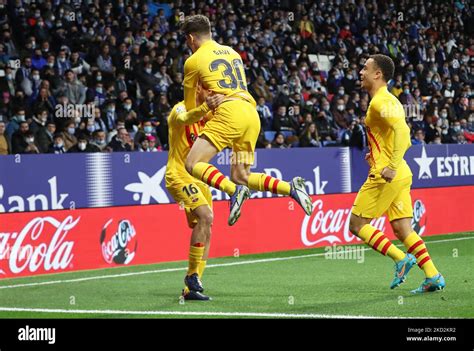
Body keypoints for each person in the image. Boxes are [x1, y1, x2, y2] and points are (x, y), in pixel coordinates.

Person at [181, 15, 313, 227]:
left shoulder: (193, 61)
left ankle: (234, 192)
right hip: (251, 115)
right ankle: (290, 188)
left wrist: (203, 112)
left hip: (230, 114)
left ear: (190, 38)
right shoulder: (233, 53)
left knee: (192, 163)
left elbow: (190, 110)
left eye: (187, 41)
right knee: (241, 175)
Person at [349, 54, 445, 294]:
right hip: (400, 173)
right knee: (403, 229)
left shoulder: (381, 101)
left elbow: (403, 132)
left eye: (365, 68)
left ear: (378, 74)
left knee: (357, 224)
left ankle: (400, 259)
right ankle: (433, 276)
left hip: (387, 174)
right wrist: (376, 154)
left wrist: (389, 164)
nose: (361, 72)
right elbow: (392, 135)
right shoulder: (385, 100)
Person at [166, 83, 223, 301]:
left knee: (207, 227)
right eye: (208, 89)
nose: (211, 94)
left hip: (198, 177)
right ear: (196, 89)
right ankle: (191, 276)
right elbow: (182, 120)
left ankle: (193, 287)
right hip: (179, 174)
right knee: (206, 215)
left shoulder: (207, 117)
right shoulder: (179, 108)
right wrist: (204, 108)